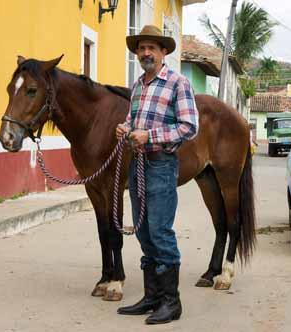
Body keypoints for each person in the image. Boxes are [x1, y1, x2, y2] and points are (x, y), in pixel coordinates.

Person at [115, 25, 198, 325]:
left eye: (152, 47)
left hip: (162, 164)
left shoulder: (178, 83)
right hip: (138, 164)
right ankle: (152, 297)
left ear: (164, 52)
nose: (146, 53)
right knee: (143, 230)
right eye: (142, 48)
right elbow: (131, 119)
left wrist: (148, 136)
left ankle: (171, 302)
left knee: (160, 231)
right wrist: (125, 129)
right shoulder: (137, 86)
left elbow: (189, 126)